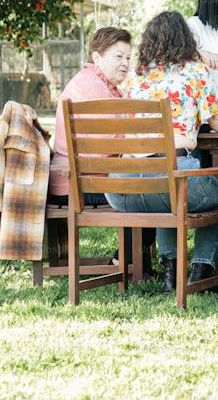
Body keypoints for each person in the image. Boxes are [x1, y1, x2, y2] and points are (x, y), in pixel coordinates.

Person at [105, 11, 218, 293]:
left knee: (168, 189)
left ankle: (170, 273)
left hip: (121, 190)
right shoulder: (195, 71)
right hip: (167, 181)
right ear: (186, 41)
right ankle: (201, 270)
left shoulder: (134, 77)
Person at [47, 27, 154, 275]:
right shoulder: (92, 87)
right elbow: (115, 144)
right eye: (118, 57)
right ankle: (125, 264)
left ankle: (131, 262)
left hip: (80, 177)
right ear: (97, 57)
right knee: (151, 192)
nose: (126, 64)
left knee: (151, 184)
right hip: (78, 183)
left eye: (128, 57)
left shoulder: (101, 85)